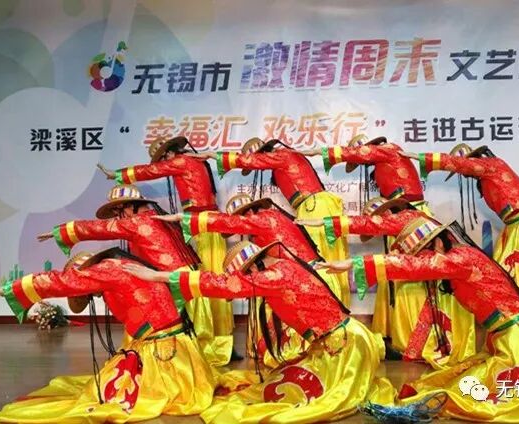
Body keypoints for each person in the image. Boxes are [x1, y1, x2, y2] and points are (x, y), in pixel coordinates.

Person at [319, 217, 519, 422]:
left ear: (440, 242)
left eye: (427, 251)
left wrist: (355, 263)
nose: (425, 258)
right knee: (441, 382)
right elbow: (419, 264)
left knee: (465, 393)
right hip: (508, 337)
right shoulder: (460, 259)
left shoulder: (462, 259)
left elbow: (417, 266)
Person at [122, 241, 396, 423]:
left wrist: (161, 276)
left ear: (253, 266)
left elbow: (225, 285)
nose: (246, 279)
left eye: (246, 273)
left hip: (344, 346)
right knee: (280, 381)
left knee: (301, 399)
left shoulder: (272, 277)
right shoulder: (284, 265)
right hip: (341, 339)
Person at [0, 248, 216, 423]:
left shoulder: (106, 270)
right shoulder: (121, 264)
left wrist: (11, 289)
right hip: (179, 347)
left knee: (105, 394)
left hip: (162, 353)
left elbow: (61, 282)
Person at [36, 184, 232, 366]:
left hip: (173, 279)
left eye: (117, 211)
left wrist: (61, 232)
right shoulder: (158, 217)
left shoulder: (137, 222)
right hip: (189, 274)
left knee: (147, 317)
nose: (116, 217)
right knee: (190, 327)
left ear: (130, 207)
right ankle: (193, 363)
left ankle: (157, 361)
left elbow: (100, 228)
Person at [402, 144, 519, 347]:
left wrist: (423, 158)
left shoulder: (491, 165)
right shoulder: (491, 172)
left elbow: (461, 164)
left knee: (515, 276)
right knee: (505, 275)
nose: (466, 173)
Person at [156, 193, 346, 364]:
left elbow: (231, 224)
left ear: (248, 213)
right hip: (310, 277)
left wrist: (185, 218)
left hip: (303, 284)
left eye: (240, 218)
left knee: (313, 350)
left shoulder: (262, 220)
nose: (241, 224)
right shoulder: (274, 218)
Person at [97, 136, 237, 364]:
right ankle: (220, 339)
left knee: (204, 281)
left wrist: (119, 174)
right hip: (206, 222)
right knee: (210, 279)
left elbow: (152, 171)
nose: (164, 163)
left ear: (170, 153)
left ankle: (210, 343)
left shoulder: (181, 162)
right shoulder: (195, 162)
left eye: (164, 158)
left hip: (200, 225)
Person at [298, 196, 476, 367]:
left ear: (389, 212)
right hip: (436, 275)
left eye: (378, 217)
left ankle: (427, 346)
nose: (378, 221)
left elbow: (371, 225)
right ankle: (429, 345)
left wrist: (329, 222)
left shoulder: (404, 218)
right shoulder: (409, 223)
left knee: (410, 295)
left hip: (435, 273)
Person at [192, 137, 351, 306]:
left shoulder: (281, 155)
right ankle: (335, 299)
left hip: (315, 207)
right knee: (327, 258)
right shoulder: (283, 161)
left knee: (322, 261)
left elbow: (249, 161)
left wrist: (212, 155)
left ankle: (330, 300)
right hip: (317, 205)